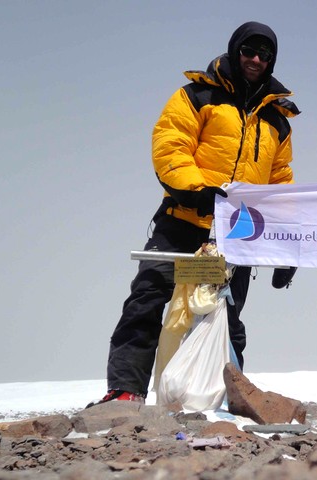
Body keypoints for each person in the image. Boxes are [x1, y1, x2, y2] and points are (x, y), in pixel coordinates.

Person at [88, 21, 299, 407]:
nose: (255, 60)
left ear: (272, 60)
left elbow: (278, 185)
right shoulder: (197, 96)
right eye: (248, 51)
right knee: (149, 300)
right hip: (184, 223)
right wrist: (198, 191)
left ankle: (219, 399)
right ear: (235, 51)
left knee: (224, 317)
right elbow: (171, 145)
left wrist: (283, 246)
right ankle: (124, 392)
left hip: (232, 239)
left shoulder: (277, 120)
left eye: (264, 54)